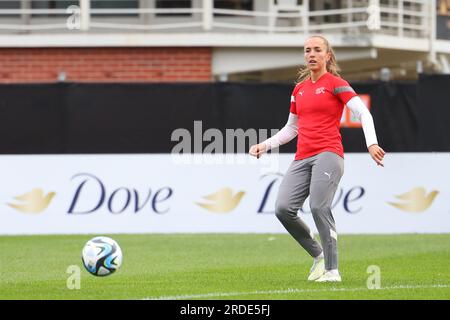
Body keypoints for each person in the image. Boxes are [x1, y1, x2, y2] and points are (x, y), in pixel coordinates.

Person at [249, 35, 385, 282]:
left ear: (327, 56)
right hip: (303, 157)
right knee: (282, 209)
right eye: (307, 50)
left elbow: (362, 112)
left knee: (319, 207)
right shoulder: (299, 89)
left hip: (329, 154)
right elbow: (292, 128)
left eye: (317, 50)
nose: (311, 54)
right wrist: (266, 145)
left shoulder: (336, 83)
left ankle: (333, 271)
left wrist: (371, 142)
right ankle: (318, 255)